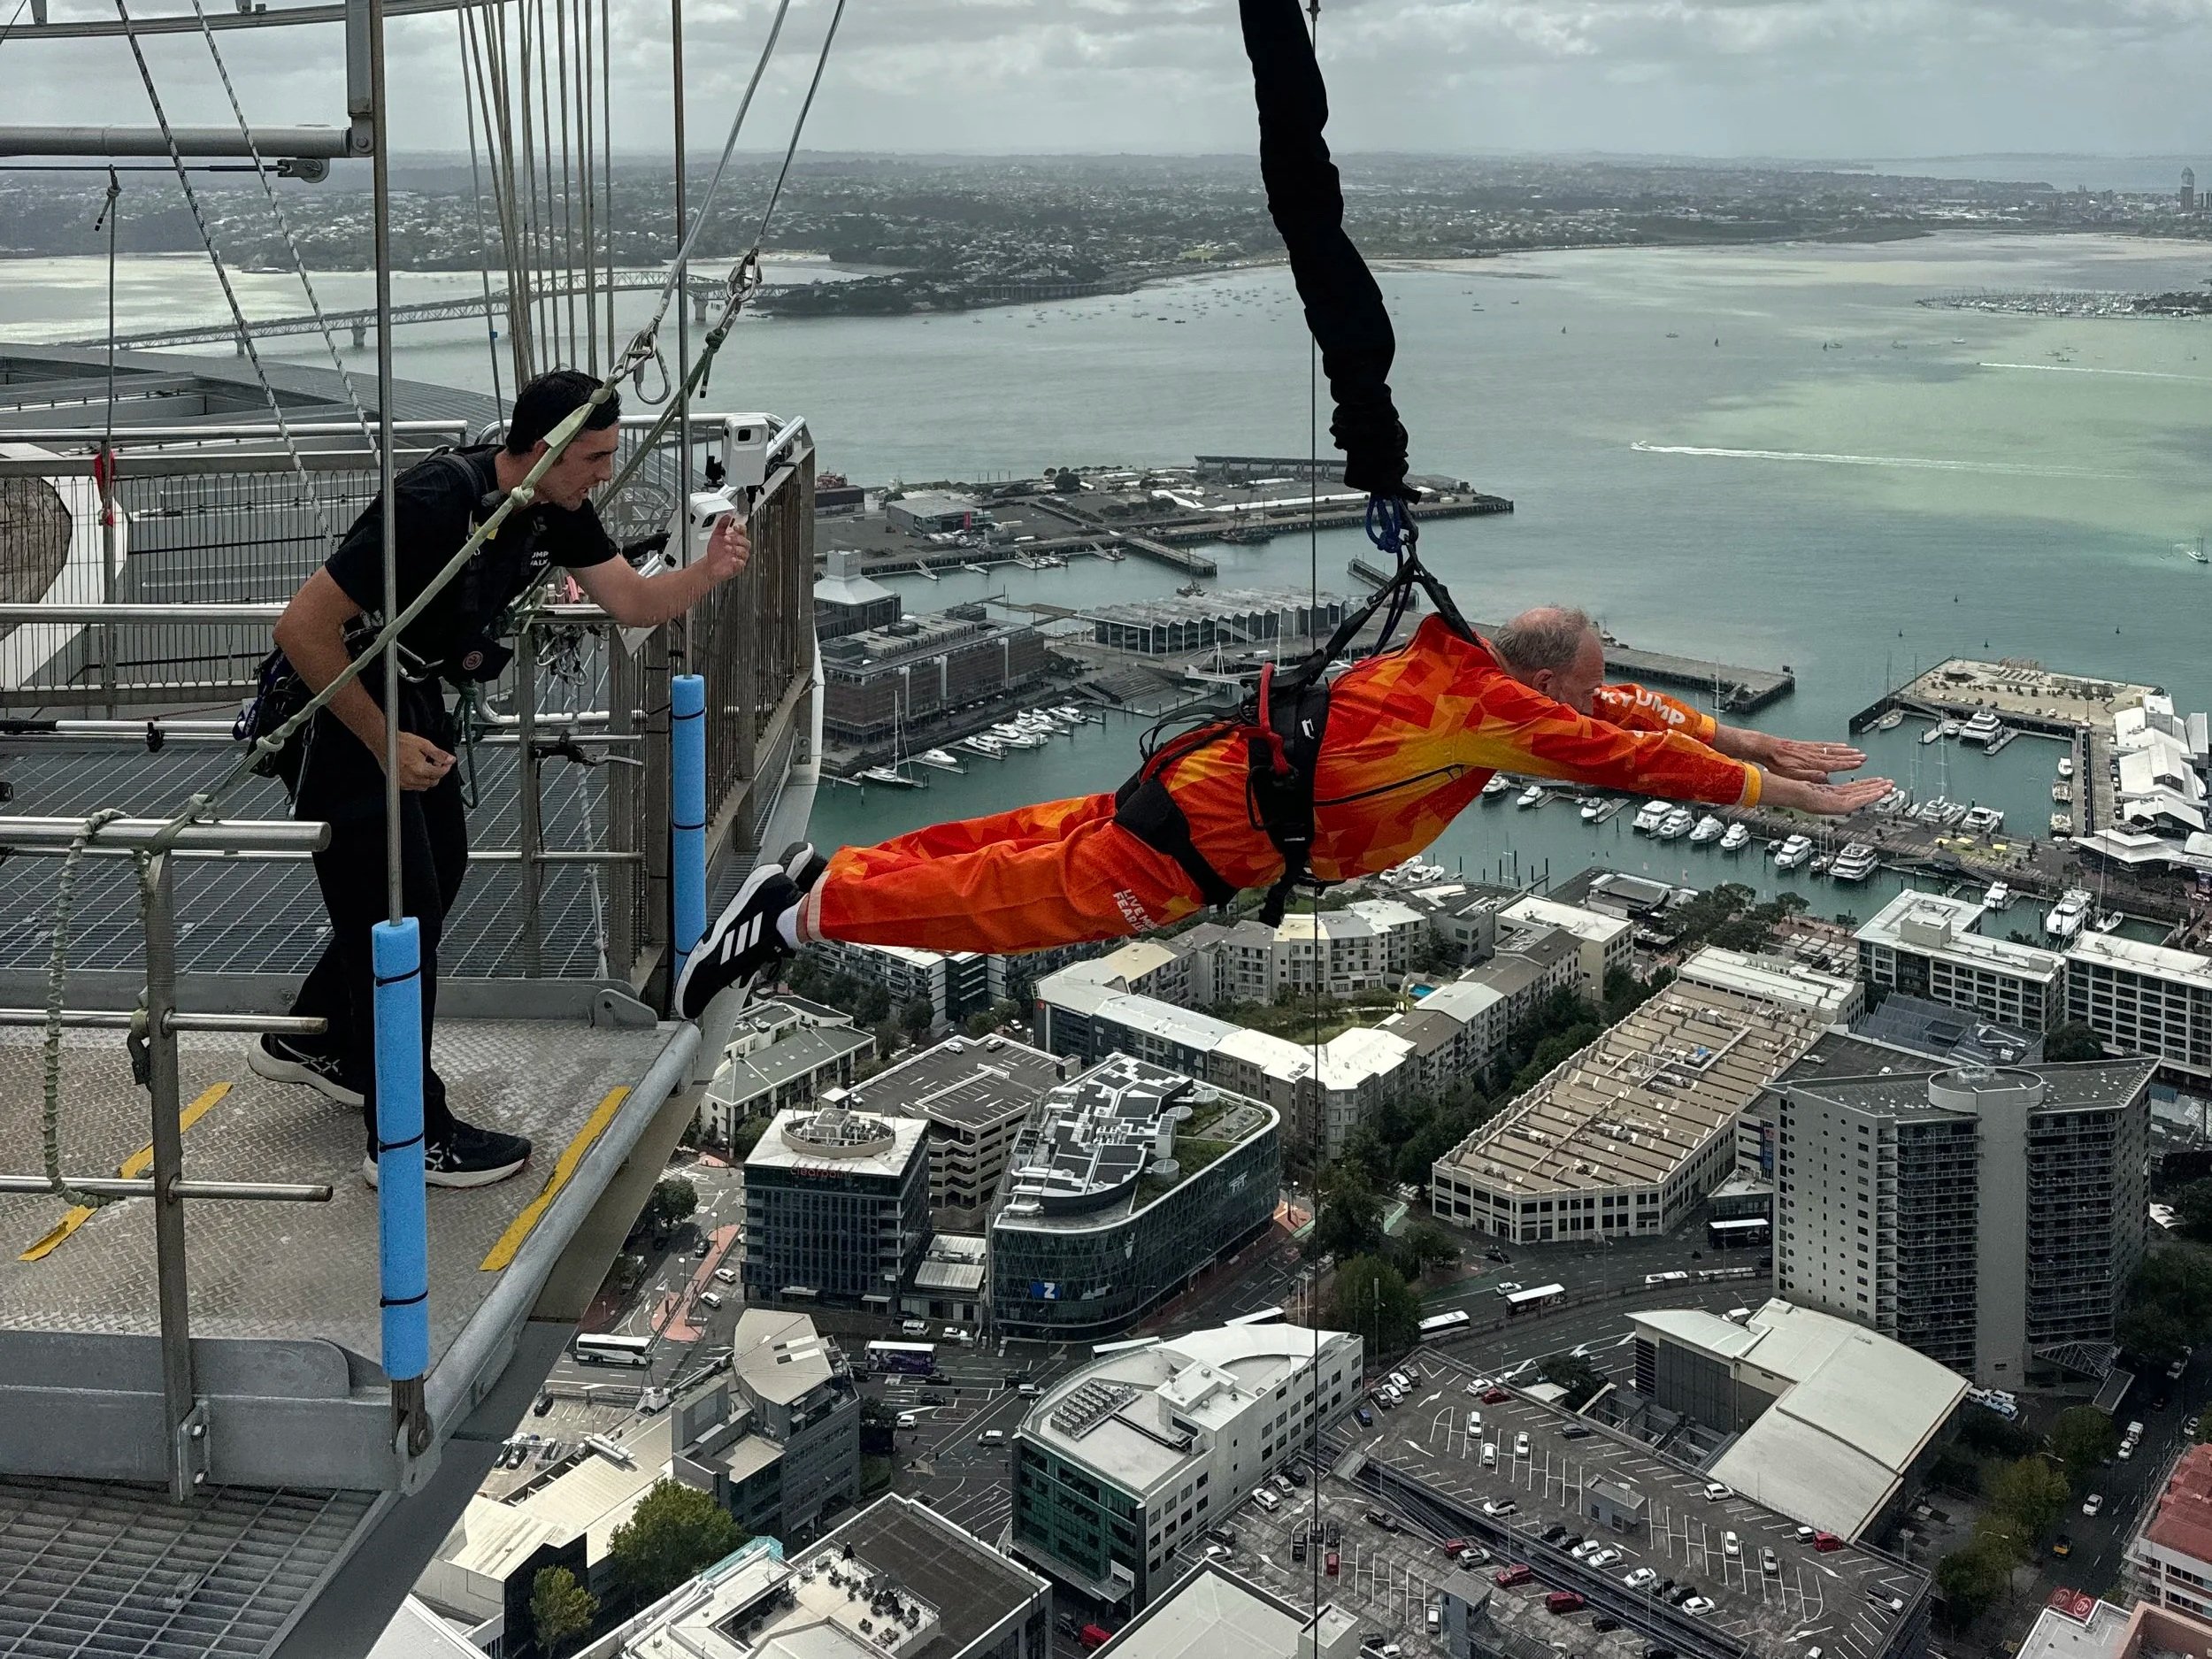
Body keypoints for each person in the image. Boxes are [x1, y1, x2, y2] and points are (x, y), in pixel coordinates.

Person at [675, 604, 1889, 1017]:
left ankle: (818, 877)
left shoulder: (1456, 672)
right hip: (1207, 839)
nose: (1595, 697)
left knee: (1016, 840)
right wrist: (1779, 794)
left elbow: (1627, 712)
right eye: (1580, 681)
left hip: (1199, 787)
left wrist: (1746, 734)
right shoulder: (1495, 714)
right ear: (1543, 682)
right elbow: (1630, 758)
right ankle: (793, 921)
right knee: (1009, 902)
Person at [254, 369, 751, 1187]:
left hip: (402, 702)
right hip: (345, 722)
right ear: (545, 446)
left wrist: (710, 571)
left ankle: (323, 1035)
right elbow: (303, 629)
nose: (603, 473)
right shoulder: (432, 504)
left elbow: (629, 601)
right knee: (401, 915)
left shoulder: (549, 511)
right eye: (593, 456)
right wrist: (383, 743)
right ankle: (407, 1136)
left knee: (435, 875)